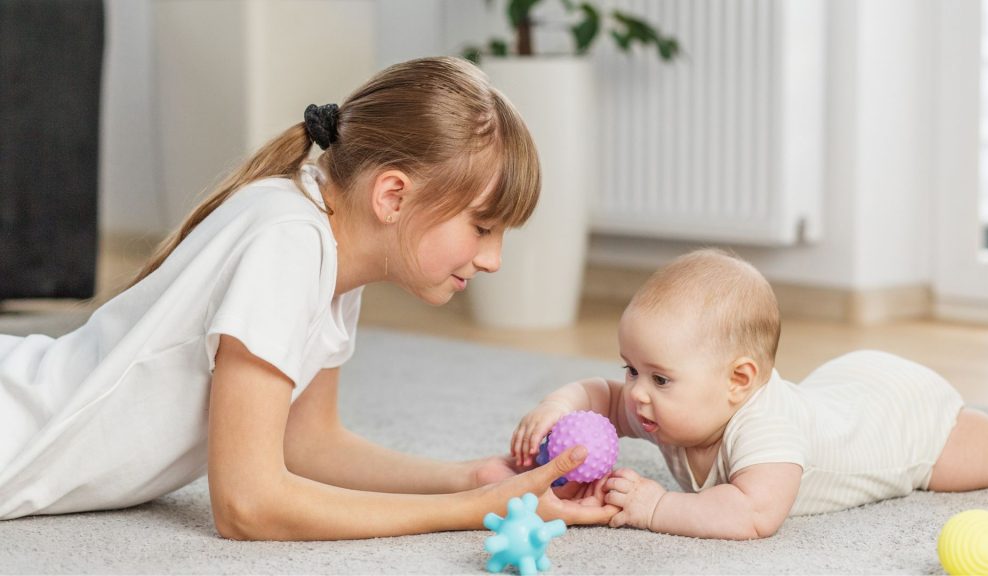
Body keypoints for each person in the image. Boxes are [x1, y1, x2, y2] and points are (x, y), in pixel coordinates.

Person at [0, 56, 617, 538]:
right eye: (482, 227)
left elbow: (307, 443)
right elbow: (247, 505)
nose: (492, 259)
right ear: (393, 197)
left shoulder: (328, 241)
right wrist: (469, 510)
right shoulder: (288, 242)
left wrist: (469, 478)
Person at [511, 248, 988, 539]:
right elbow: (598, 394)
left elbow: (753, 514)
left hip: (904, 419)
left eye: (659, 378)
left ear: (738, 382)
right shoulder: (667, 405)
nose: (637, 394)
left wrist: (656, 507)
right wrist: (559, 407)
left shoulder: (767, 430)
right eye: (631, 370)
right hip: (844, 385)